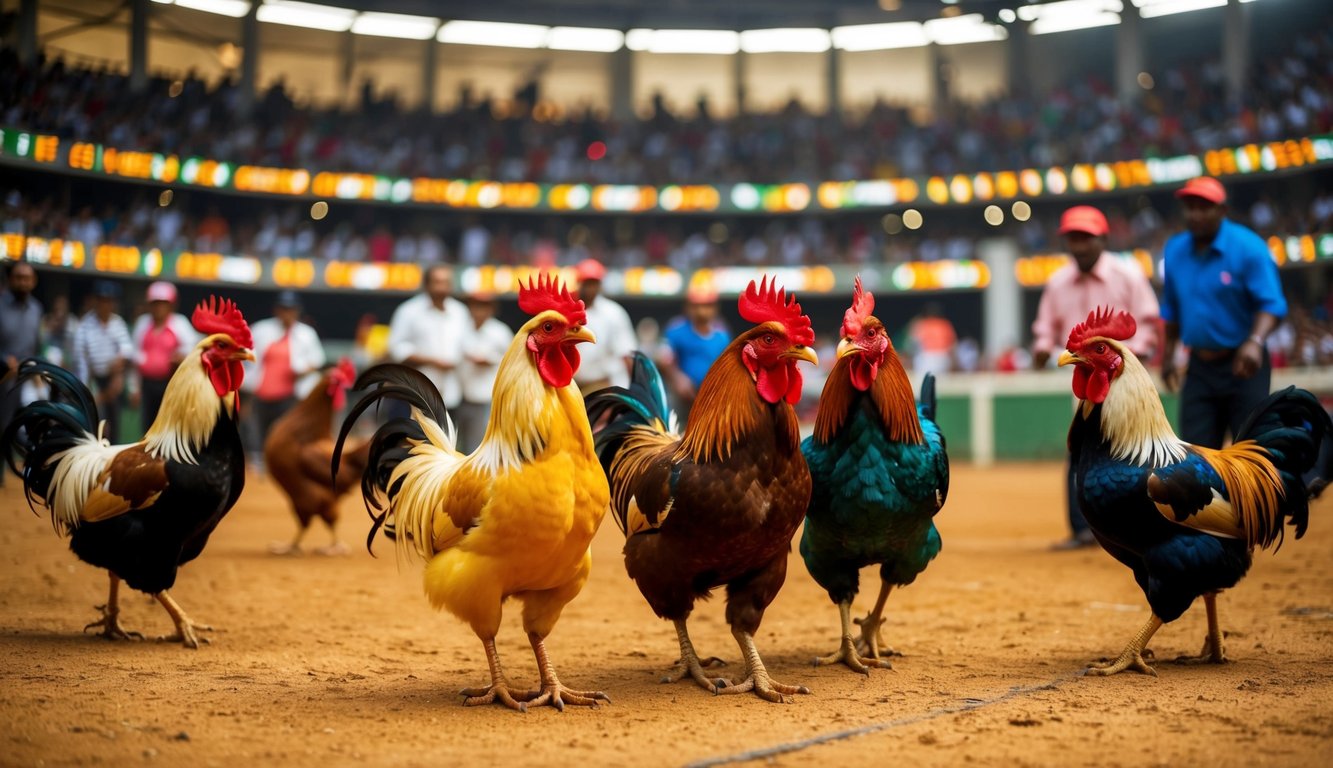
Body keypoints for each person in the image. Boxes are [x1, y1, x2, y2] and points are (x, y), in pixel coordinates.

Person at [1031, 205, 1161, 549]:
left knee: (1134, 451)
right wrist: (1042, 347)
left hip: (1124, 379)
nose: (1080, 245)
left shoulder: (1128, 274)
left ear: (1103, 239)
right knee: (1081, 452)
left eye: (1086, 238)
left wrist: (1136, 356)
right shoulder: (1058, 282)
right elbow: (1045, 326)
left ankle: (1134, 528)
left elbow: (1148, 321)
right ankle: (1081, 529)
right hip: (1087, 380)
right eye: (1074, 238)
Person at [1160, 176, 1287, 449]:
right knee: (1196, 456)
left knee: (1249, 450)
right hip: (1199, 368)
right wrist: (1169, 354)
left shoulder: (1249, 248)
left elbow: (1272, 304)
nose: (1195, 214)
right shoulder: (1174, 250)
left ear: (1222, 210)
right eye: (1190, 207)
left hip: (1244, 363)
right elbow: (1171, 307)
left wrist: (1254, 342)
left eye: (1204, 207)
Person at [245, 291, 327, 463]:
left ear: (297, 311)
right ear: (276, 310)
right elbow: (247, 356)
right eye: (283, 309)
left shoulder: (306, 334)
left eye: (290, 309)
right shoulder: (261, 329)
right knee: (257, 429)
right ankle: (258, 461)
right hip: (260, 391)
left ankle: (279, 461)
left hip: (290, 394)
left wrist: (301, 370)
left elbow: (318, 360)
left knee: (283, 431)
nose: (287, 313)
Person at [387, 263, 469, 413]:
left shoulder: (460, 312)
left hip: (450, 394)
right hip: (414, 392)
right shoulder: (409, 311)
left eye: (446, 283)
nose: (442, 288)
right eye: (437, 282)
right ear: (426, 285)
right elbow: (396, 348)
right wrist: (432, 361)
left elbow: (465, 345)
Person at [130, 281, 199, 427]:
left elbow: (193, 348)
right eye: (155, 303)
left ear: (171, 305)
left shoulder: (180, 324)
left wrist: (180, 356)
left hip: (170, 384)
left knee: (168, 425)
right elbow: (134, 357)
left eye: (163, 303)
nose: (159, 308)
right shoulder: (143, 324)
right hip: (147, 384)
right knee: (148, 425)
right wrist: (134, 388)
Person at [73, 280, 133, 443]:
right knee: (94, 425)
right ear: (96, 301)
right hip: (92, 379)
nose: (105, 304)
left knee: (114, 425)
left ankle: (112, 461)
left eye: (109, 300)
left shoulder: (117, 322)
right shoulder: (85, 325)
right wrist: (88, 389)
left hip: (113, 377)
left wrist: (119, 373)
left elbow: (127, 349)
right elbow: (81, 361)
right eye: (102, 300)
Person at [0, 260, 42, 484]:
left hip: (25, 377)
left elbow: (35, 345)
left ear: (33, 281)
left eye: (27, 278)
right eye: (19, 277)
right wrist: (4, 359)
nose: (23, 282)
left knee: (24, 426)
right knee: (2, 424)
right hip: (2, 377)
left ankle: (30, 471)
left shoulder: (36, 309)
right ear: (10, 280)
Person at [660, 287, 729, 422]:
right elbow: (663, 358)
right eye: (696, 305)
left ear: (715, 308)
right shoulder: (676, 330)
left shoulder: (722, 334)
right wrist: (677, 378)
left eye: (707, 305)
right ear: (688, 307)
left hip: (711, 399)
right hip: (683, 397)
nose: (701, 311)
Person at [456, 291, 514, 453]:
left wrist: (490, 360)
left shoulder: (500, 332)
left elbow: (512, 362)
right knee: (460, 444)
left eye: (483, 306)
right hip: (461, 396)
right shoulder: (461, 329)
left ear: (491, 309)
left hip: (487, 399)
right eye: (475, 306)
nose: (479, 311)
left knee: (481, 446)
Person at [572, 258, 636, 396]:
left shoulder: (613, 312)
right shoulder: (569, 310)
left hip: (605, 384)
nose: (590, 287)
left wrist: (637, 390)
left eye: (594, 283)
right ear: (579, 283)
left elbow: (627, 354)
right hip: (574, 385)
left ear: (600, 285)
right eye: (587, 282)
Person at [907, 302, 956, 376]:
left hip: (927, 357)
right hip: (943, 358)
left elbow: (912, 343)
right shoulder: (945, 324)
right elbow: (953, 345)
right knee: (940, 384)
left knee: (923, 384)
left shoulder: (922, 324)